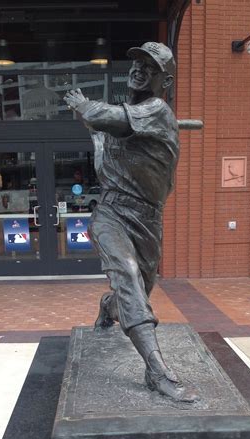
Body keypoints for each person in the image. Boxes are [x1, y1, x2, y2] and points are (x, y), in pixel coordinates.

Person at [64, 42, 196, 402]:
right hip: (110, 212)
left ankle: (108, 307)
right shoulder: (123, 118)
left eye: (150, 68)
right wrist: (92, 118)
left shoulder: (157, 112)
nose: (139, 69)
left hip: (147, 218)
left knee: (138, 289)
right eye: (136, 63)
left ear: (164, 81)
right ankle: (158, 371)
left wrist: (83, 106)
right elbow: (104, 125)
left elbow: (105, 118)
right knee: (129, 278)